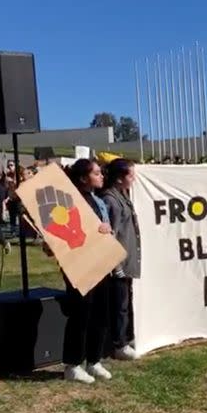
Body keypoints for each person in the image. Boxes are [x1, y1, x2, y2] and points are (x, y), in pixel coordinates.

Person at [63, 159, 113, 383]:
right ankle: (73, 364)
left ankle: (94, 360)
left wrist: (106, 230)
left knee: (101, 312)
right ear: (83, 178)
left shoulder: (97, 200)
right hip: (80, 264)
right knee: (81, 313)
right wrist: (97, 231)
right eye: (96, 173)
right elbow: (71, 233)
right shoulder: (71, 202)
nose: (101, 175)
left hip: (100, 262)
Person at [102, 159, 141, 361]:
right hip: (118, 264)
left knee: (127, 300)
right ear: (119, 179)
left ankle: (127, 336)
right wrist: (116, 265)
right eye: (130, 175)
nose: (134, 179)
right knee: (120, 304)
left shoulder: (122, 196)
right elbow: (111, 235)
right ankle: (119, 343)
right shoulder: (111, 200)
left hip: (127, 260)